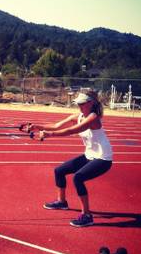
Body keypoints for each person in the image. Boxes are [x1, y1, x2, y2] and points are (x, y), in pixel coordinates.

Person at [23, 90, 113, 227]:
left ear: (91, 103)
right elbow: (56, 126)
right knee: (59, 171)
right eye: (78, 104)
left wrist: (50, 134)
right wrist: (37, 126)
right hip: (89, 155)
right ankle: (62, 202)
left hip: (102, 158)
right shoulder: (78, 116)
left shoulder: (93, 118)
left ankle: (87, 215)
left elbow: (73, 130)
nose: (79, 106)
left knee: (78, 178)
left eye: (82, 104)